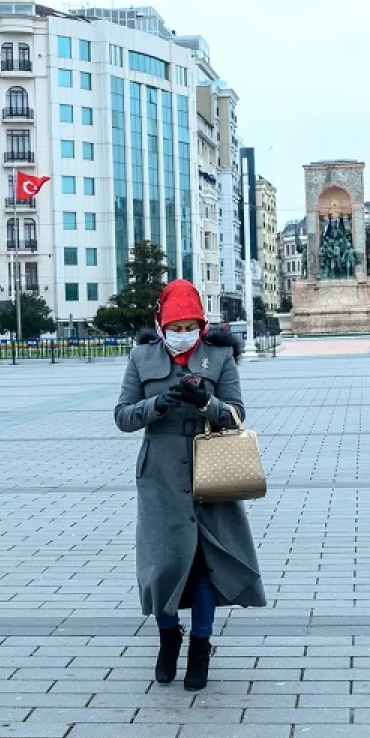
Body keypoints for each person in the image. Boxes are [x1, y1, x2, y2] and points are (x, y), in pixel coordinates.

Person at [114, 279, 265, 692]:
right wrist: (155, 405)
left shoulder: (218, 357)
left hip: (209, 473)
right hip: (160, 477)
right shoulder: (141, 356)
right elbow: (123, 416)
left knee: (203, 565)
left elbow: (235, 416)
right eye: (176, 325)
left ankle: (200, 645)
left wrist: (207, 403)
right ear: (161, 323)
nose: (184, 334)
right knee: (161, 564)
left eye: (190, 325)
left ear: (201, 324)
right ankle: (168, 637)